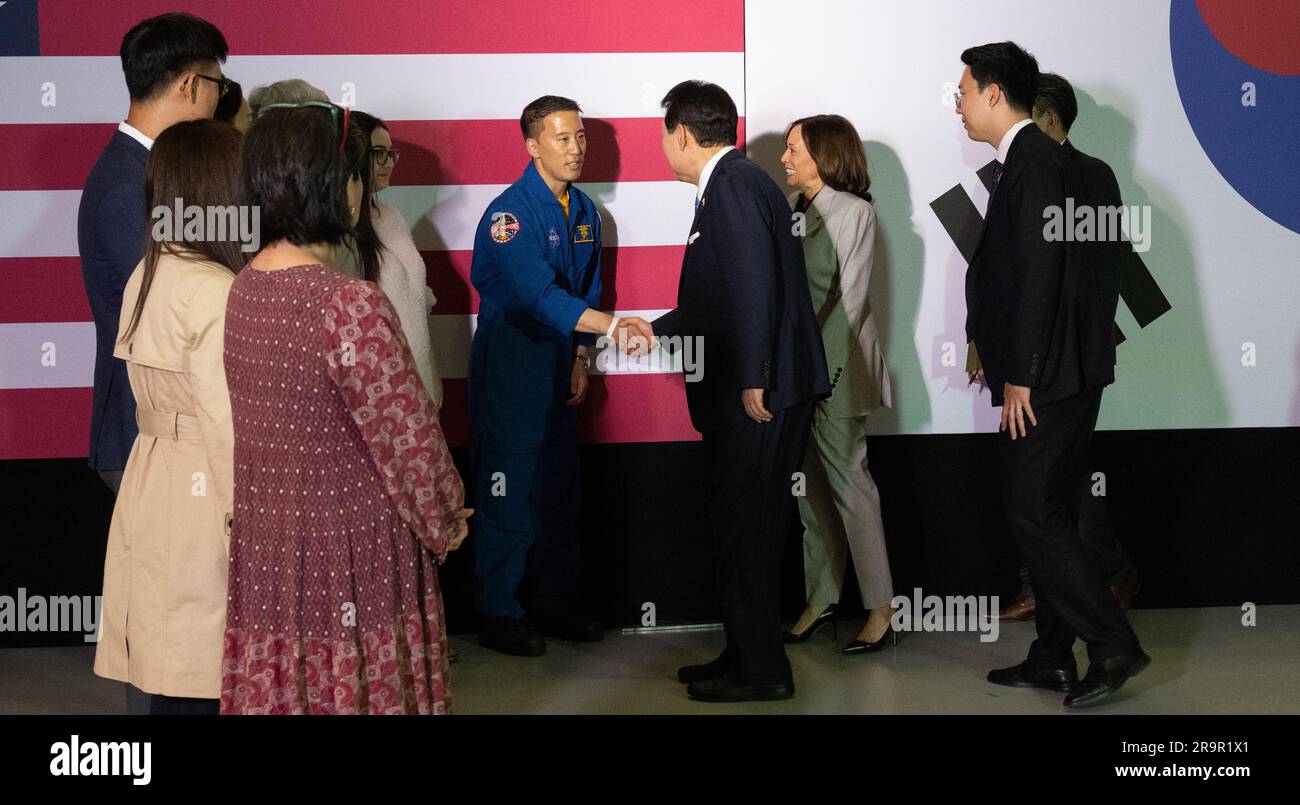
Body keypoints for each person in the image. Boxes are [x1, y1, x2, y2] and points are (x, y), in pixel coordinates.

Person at [221, 104, 471, 714]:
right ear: (337, 185)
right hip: (352, 547)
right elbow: (409, 440)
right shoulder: (347, 303)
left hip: (271, 546)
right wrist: (445, 516)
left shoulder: (243, 289)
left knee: (291, 686)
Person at [956, 42, 1148, 708]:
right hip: (1065, 370)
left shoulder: (1033, 163)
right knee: (1053, 510)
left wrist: (1023, 375)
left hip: (1047, 379)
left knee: (1033, 512)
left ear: (993, 94)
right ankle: (1050, 655)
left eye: (962, 90)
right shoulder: (1037, 164)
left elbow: (1039, 277)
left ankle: (1113, 641)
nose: (956, 103)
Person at [654, 81, 830, 702]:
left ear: (681, 133)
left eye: (663, 135)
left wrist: (755, 374)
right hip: (757, 386)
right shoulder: (739, 185)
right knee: (741, 529)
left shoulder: (731, 186)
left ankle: (762, 673)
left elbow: (756, 286)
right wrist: (649, 331)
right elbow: (716, 300)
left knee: (748, 533)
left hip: (758, 393)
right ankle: (744, 652)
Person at [76, 10, 228, 716]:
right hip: (156, 428)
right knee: (173, 626)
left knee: (179, 615)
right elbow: (176, 309)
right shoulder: (125, 183)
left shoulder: (151, 173)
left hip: (184, 424)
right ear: (193, 84)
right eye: (220, 88)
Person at [467, 95, 651, 657]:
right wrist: (612, 327)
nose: (576, 150)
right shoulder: (509, 215)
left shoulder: (586, 211)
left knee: (558, 490)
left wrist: (579, 358)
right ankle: (499, 610)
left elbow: (586, 290)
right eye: (562, 138)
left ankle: (552, 602)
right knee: (508, 491)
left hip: (558, 365)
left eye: (581, 138)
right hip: (512, 367)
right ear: (532, 145)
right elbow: (540, 296)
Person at [92, 120, 244, 716]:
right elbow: (227, 423)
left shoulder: (150, 271)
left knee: (173, 661)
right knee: (203, 667)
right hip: (205, 479)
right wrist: (252, 516)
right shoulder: (216, 288)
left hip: (156, 472)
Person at [998, 73, 1141, 623]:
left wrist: (1048, 353)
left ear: (1049, 119)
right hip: (1039, 360)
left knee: (1051, 487)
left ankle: (1101, 592)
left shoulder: (1088, 174)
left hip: (1065, 363)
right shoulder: (1027, 171)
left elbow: (1085, 275)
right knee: (1042, 485)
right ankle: (1052, 610)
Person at [779, 115, 897, 654]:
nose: (785, 159)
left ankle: (880, 610)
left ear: (824, 155)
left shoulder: (855, 212)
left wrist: (823, 377)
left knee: (852, 491)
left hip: (836, 373)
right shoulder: (792, 211)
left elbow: (849, 303)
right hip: (799, 377)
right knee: (810, 497)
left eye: (795, 150)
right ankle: (822, 599)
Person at [352, 111, 443, 408]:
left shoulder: (391, 215)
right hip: (374, 388)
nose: (388, 162)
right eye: (379, 153)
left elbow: (415, 299)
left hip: (417, 374)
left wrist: (429, 370)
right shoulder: (341, 227)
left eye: (391, 153)